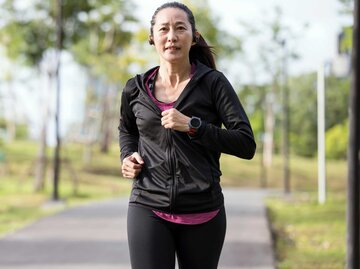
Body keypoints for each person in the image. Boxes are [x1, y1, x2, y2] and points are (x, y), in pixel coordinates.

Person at [118, 2, 256, 269]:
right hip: (147, 204)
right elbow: (127, 130)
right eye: (164, 29)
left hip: (203, 211)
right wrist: (127, 156)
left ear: (193, 37)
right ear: (152, 37)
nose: (172, 36)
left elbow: (245, 143)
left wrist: (194, 126)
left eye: (180, 28)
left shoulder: (214, 83)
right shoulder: (135, 89)